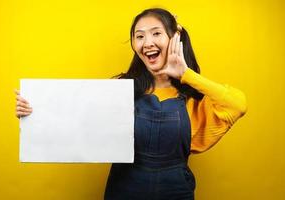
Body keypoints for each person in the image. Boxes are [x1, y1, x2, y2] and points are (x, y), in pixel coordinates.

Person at [15, 8, 247, 200]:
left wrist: (185, 74)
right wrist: (34, 115)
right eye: (139, 36)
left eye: (156, 33)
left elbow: (238, 104)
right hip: (125, 189)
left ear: (174, 39)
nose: (147, 42)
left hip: (176, 191)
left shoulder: (194, 96)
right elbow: (77, 123)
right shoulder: (121, 89)